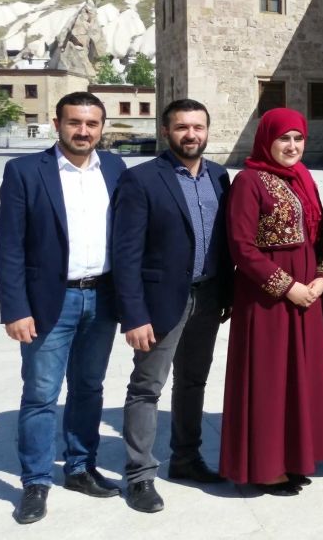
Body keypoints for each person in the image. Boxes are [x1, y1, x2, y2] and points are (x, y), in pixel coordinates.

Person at [0, 91, 127, 524]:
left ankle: (80, 468)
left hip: (102, 297)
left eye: (91, 123)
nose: (83, 131)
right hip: (52, 300)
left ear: (101, 127)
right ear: (58, 124)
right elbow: (10, 248)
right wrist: (15, 308)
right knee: (40, 394)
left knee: (89, 388)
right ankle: (35, 481)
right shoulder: (25, 172)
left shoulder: (114, 167)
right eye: (75, 123)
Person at [111, 99, 231, 513]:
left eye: (198, 126)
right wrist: (134, 314)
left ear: (207, 131)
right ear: (167, 131)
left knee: (193, 381)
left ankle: (186, 457)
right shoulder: (142, 179)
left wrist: (227, 293)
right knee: (147, 387)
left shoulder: (219, 176)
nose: (191, 134)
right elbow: (125, 253)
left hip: (209, 294)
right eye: (182, 127)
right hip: (161, 301)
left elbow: (225, 240)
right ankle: (140, 475)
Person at [219, 108, 323, 494]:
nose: (291, 146)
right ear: (266, 139)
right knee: (270, 380)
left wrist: (321, 276)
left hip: (308, 295)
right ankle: (266, 466)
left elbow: (321, 234)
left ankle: (293, 458)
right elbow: (242, 247)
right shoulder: (249, 181)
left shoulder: (303, 178)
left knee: (300, 379)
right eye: (283, 138)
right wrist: (288, 287)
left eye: (298, 138)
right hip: (267, 299)